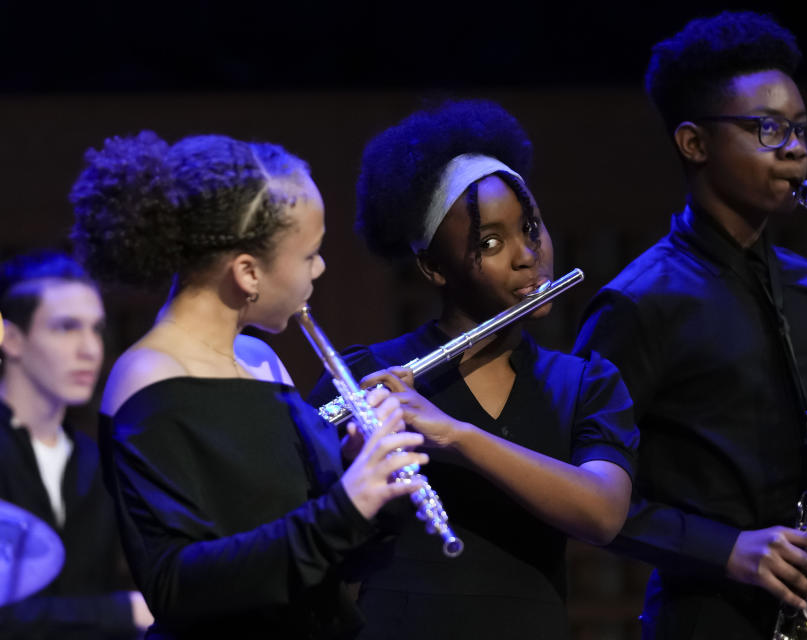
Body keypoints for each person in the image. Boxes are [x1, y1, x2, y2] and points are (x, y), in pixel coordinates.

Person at [573, 11, 807, 639]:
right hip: (705, 619)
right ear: (693, 143)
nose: (792, 148)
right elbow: (580, 497)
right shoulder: (637, 304)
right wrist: (727, 549)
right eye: (767, 128)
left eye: (801, 130)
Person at [70, 131, 426, 639]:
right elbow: (175, 583)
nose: (320, 268)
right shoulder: (146, 379)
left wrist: (368, 480)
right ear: (247, 273)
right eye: (309, 256)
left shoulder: (262, 360)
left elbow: (323, 560)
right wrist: (343, 508)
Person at [307, 100, 638, 640]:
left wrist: (455, 435)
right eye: (490, 242)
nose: (527, 256)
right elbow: (309, 538)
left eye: (531, 228)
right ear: (434, 267)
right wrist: (351, 465)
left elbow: (603, 513)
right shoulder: (366, 374)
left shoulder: (585, 384)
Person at [0, 250, 153, 639]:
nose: (90, 349)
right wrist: (121, 612)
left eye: (96, 329)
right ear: (13, 339)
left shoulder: (95, 459)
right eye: (67, 327)